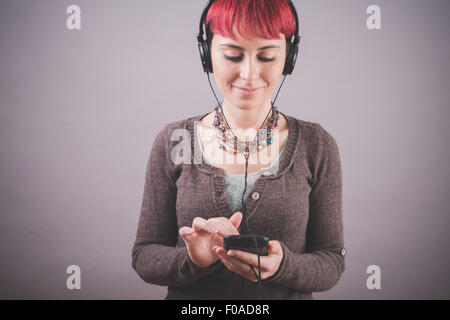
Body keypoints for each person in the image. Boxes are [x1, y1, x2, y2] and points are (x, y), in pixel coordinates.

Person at [132, 0, 346, 300]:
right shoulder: (172, 141)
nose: (249, 74)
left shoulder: (318, 145)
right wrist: (193, 259)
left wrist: (283, 265)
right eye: (233, 55)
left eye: (267, 56)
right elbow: (144, 256)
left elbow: (332, 261)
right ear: (207, 55)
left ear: (289, 57)